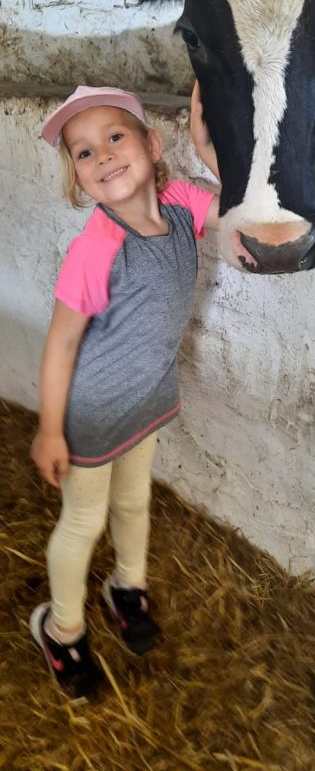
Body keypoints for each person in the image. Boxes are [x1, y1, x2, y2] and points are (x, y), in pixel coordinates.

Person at [30, 83, 219, 700]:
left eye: (115, 136)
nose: (103, 155)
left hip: (148, 397)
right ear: (77, 176)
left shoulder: (182, 204)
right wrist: (50, 429)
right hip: (92, 412)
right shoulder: (96, 247)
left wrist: (208, 149)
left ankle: (126, 588)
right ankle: (62, 630)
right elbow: (61, 344)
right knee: (83, 522)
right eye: (84, 152)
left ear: (152, 144)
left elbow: (241, 212)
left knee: (135, 501)